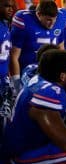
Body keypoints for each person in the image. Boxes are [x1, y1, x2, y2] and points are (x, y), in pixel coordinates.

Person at [10, 0, 66, 94]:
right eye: (48, 19)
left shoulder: (61, 19)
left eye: (54, 19)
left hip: (50, 73)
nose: (52, 23)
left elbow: (61, 49)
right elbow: (14, 56)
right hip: (28, 73)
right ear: (38, 14)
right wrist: (16, 83)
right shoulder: (24, 19)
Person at [0, 0, 13, 136]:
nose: (10, 9)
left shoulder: (5, 25)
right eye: (6, 6)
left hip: (4, 78)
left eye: (11, 6)